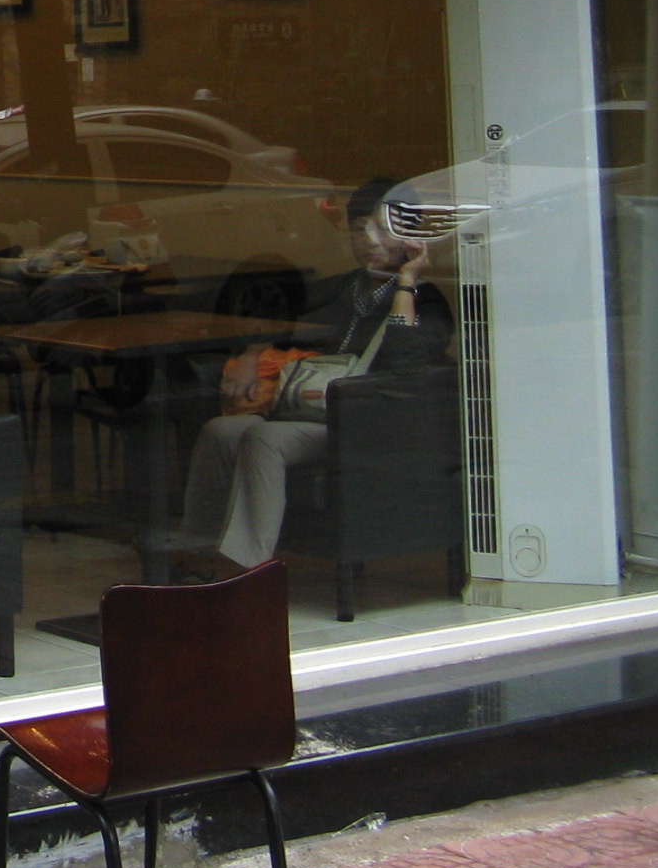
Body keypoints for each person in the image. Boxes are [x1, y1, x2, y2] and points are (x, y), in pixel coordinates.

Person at [173, 176, 454, 576]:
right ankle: (199, 553)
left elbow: (406, 359)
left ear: (410, 235)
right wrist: (252, 355)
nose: (370, 241)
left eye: (382, 229)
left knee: (265, 439)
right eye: (359, 229)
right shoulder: (341, 288)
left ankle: (248, 571)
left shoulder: (427, 300)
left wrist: (406, 281)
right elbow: (280, 325)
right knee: (220, 431)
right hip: (308, 413)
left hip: (369, 424)